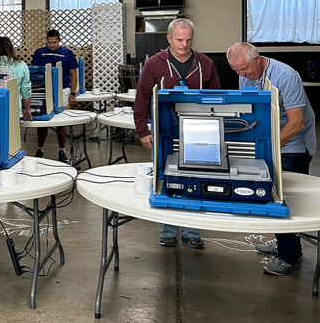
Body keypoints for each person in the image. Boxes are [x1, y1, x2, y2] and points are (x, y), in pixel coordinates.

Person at [227, 42, 316, 275]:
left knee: (281, 198)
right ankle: (283, 241)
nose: (241, 75)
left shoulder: (286, 76)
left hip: (294, 141)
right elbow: (250, 110)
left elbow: (297, 122)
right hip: (270, 138)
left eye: (244, 69)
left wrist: (269, 149)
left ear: (257, 59)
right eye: (236, 71)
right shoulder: (244, 75)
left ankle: (289, 256)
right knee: (267, 192)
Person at [135, 18, 219, 250]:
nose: (184, 44)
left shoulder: (205, 63)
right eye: (179, 39)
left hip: (199, 132)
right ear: (169, 38)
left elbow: (217, 98)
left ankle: (192, 230)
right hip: (164, 130)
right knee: (166, 179)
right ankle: (168, 229)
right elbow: (142, 99)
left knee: (197, 179)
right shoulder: (154, 64)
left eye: (188, 40)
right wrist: (143, 130)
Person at [30, 30, 79, 162]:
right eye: (49, 42)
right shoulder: (39, 52)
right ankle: (40, 149)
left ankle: (62, 150)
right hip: (43, 89)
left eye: (54, 42)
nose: (52, 45)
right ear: (46, 40)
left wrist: (73, 94)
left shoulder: (67, 53)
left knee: (61, 120)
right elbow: (33, 71)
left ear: (59, 40)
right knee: (43, 121)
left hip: (63, 89)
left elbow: (73, 74)